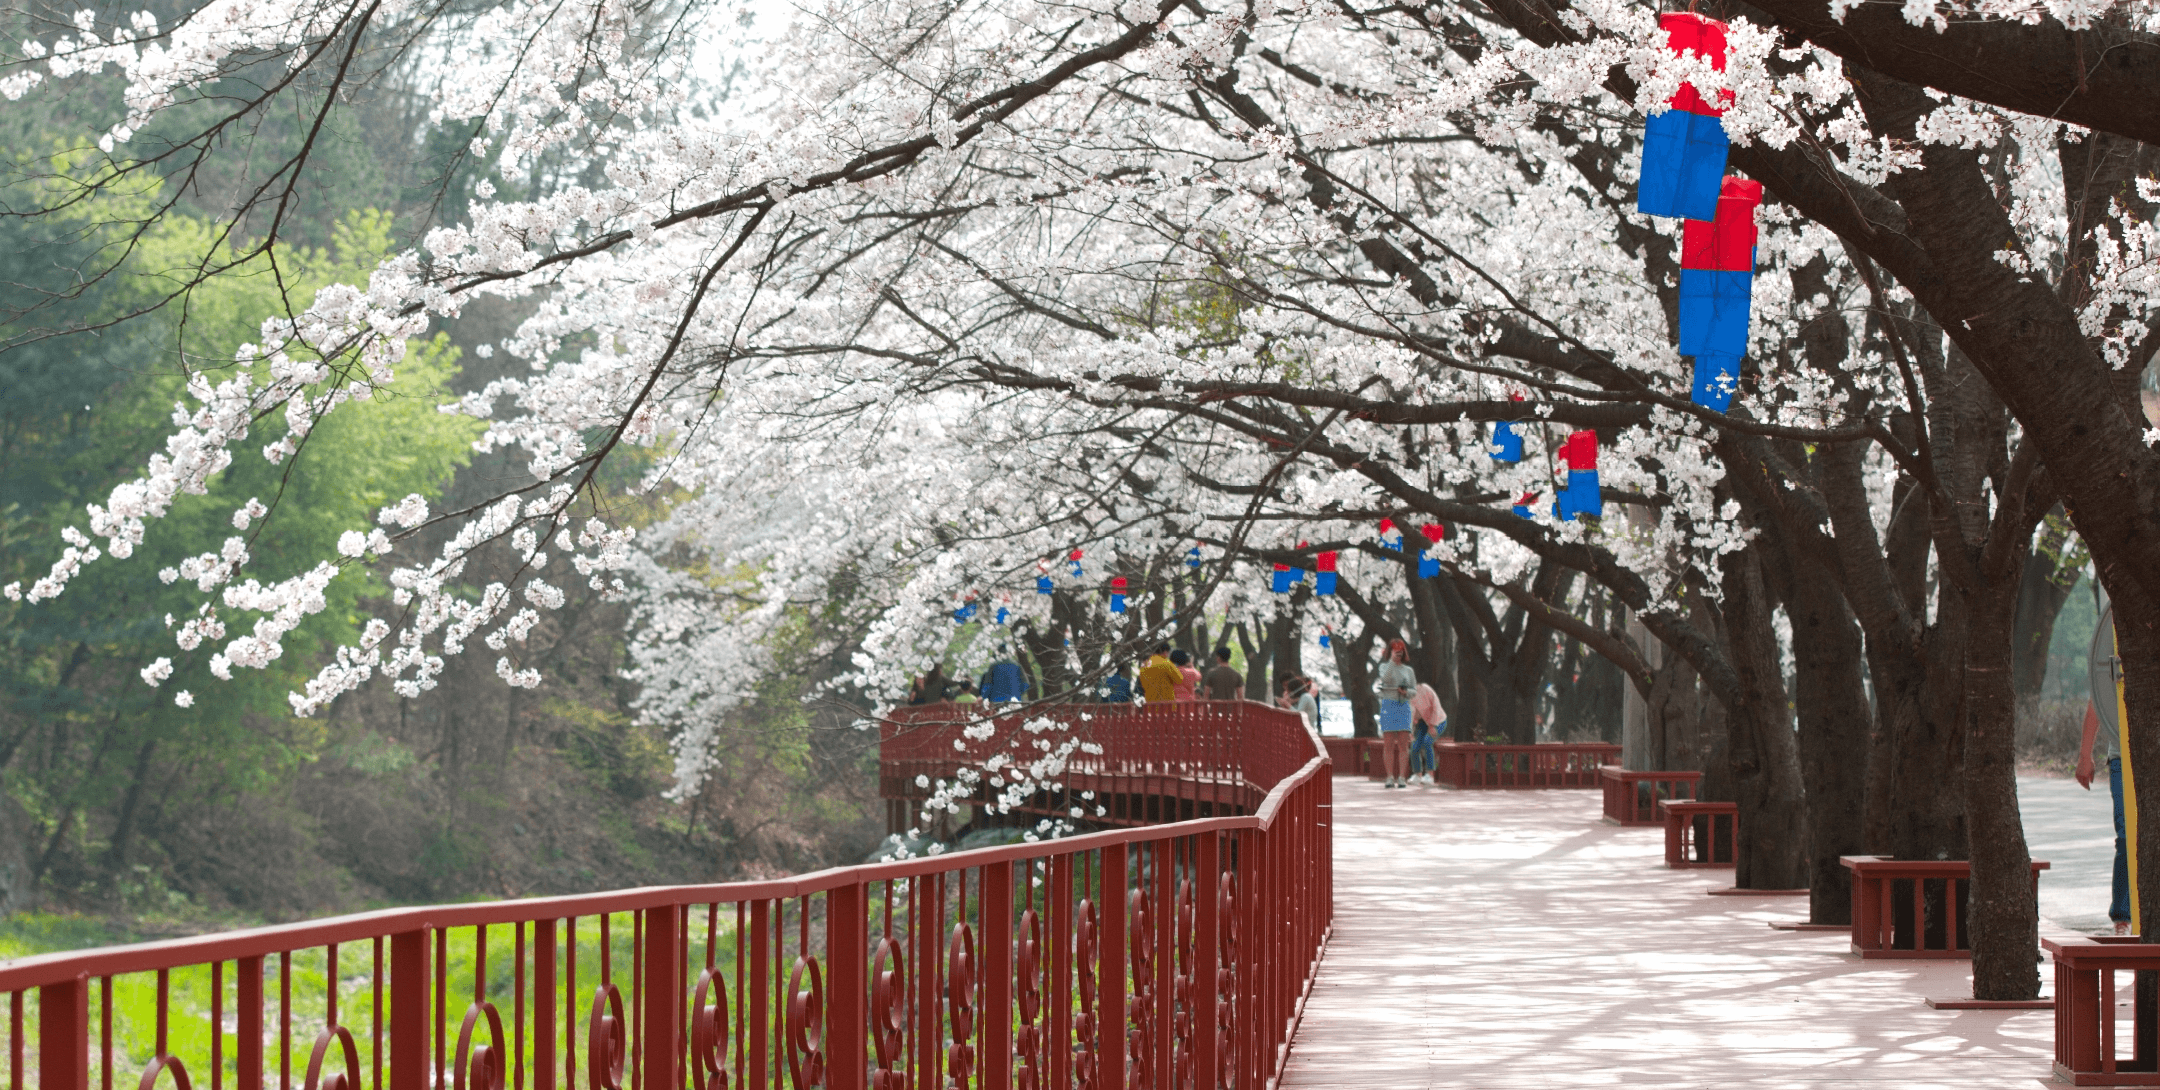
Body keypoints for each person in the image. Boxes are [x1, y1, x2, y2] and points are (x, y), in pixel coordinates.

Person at [2077, 698, 2133, 934]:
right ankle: (2122, 917)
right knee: (2126, 835)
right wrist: (2084, 755)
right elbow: (2097, 701)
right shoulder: (2114, 659)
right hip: (2122, 755)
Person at [1375, 639, 1417, 788]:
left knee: (1403, 744)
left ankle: (1401, 777)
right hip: (1388, 705)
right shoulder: (1384, 666)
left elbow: (1414, 691)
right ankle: (1389, 777)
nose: (1398, 653)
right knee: (1388, 743)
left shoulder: (1409, 670)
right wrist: (1392, 661)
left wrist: (1406, 692)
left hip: (1403, 705)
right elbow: (1385, 679)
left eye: (1400, 650)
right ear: (1389, 651)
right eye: (1394, 650)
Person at [1409, 682, 1447, 785]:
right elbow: (1410, 716)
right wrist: (1410, 733)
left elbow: (1436, 706)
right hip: (1422, 723)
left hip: (1438, 721)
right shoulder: (1406, 697)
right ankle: (1417, 774)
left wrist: (1432, 725)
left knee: (1427, 741)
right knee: (1414, 746)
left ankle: (1430, 775)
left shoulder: (1425, 689)